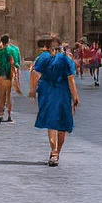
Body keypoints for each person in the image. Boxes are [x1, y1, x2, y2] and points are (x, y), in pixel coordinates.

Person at [31, 34, 79, 166]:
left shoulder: (43, 58)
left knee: (51, 123)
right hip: (63, 93)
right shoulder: (66, 60)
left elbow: (35, 74)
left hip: (47, 92)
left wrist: (32, 90)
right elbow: (71, 79)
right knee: (62, 124)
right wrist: (75, 96)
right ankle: (57, 152)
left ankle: (53, 150)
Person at [0, 34, 22, 123]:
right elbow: (15, 63)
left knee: (1, 96)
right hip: (9, 75)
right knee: (9, 95)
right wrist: (17, 75)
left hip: (0, 75)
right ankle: (9, 115)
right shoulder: (14, 50)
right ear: (9, 41)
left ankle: (0, 114)